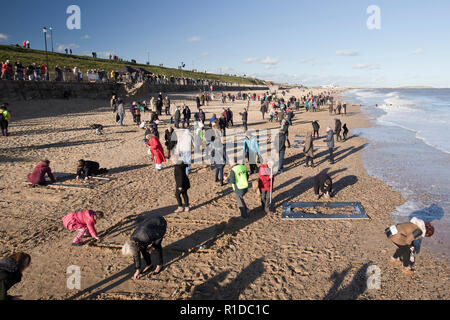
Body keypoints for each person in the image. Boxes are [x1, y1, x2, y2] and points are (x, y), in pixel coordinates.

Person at [122, 215, 167, 279]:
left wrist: (153, 246)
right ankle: (149, 265)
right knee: (143, 248)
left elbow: (160, 235)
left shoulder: (145, 236)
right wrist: (137, 270)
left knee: (157, 247)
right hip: (149, 225)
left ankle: (159, 265)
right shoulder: (132, 240)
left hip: (159, 224)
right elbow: (136, 255)